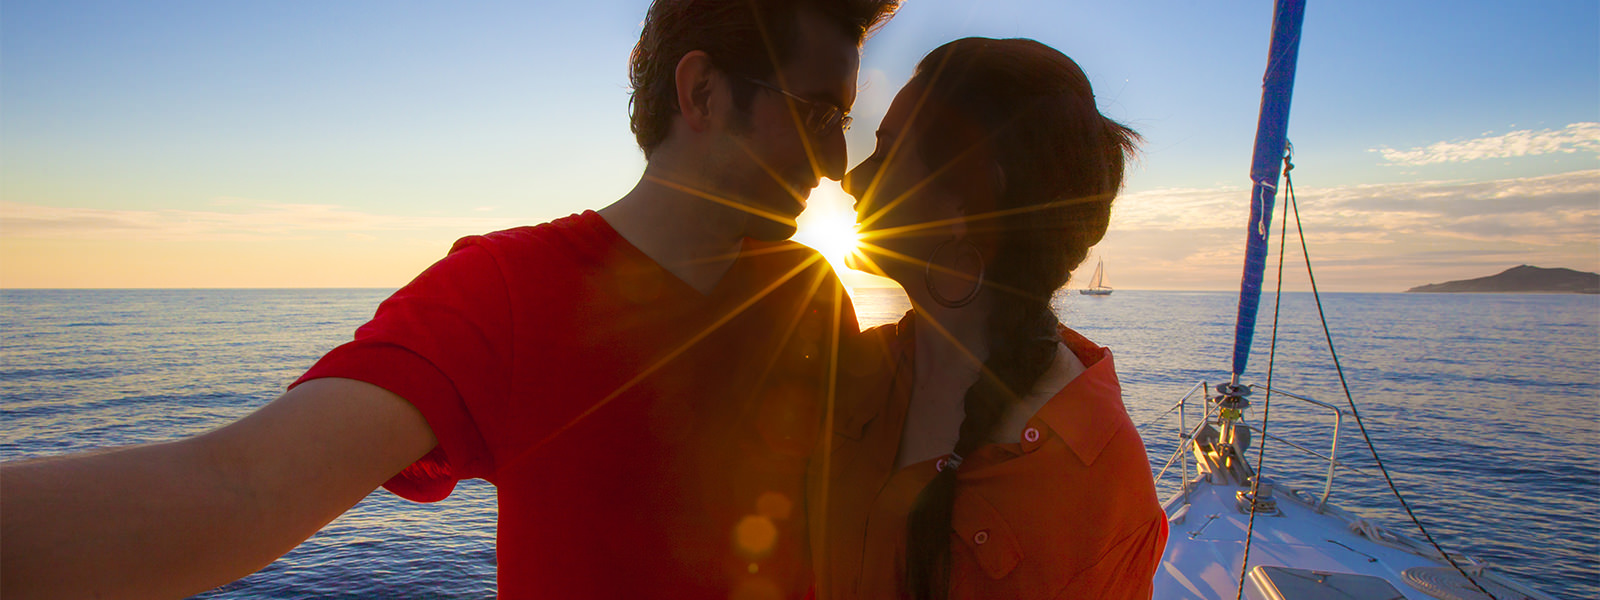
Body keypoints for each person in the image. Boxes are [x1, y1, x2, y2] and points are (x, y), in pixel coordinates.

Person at [0, 1, 898, 598]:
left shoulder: (806, 290)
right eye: (818, 115)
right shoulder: (508, 289)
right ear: (702, 92)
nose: (834, 163)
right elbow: (238, 487)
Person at [810, 38, 1166, 599]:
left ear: (965, 196)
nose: (851, 179)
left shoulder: (1095, 482)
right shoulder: (863, 368)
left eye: (886, 151)